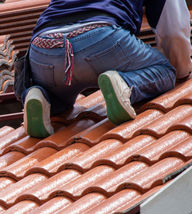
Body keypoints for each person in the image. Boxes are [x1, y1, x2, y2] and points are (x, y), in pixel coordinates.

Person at [21, 0, 192, 138]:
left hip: (43, 47)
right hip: (100, 36)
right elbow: (174, 32)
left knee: (58, 103)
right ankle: (125, 85)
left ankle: (42, 96)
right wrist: (182, 70)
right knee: (165, 70)